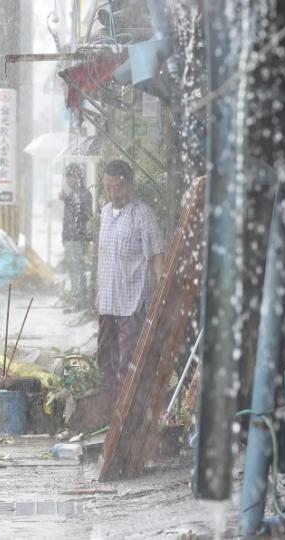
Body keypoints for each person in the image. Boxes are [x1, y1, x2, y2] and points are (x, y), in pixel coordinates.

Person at [96, 159, 166, 396]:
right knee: (106, 361)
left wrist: (160, 293)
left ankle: (126, 414)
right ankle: (107, 410)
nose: (110, 192)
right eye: (106, 186)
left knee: (128, 363)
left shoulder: (142, 215)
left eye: (114, 187)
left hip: (131, 304)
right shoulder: (105, 213)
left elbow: (157, 255)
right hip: (107, 302)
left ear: (128, 185)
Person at [59, 163, 93, 310]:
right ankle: (75, 299)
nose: (68, 180)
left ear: (77, 177)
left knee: (77, 268)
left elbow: (83, 215)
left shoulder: (83, 194)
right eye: (67, 177)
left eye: (70, 177)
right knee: (72, 269)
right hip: (69, 237)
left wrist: (67, 200)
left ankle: (80, 301)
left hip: (77, 238)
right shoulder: (73, 193)